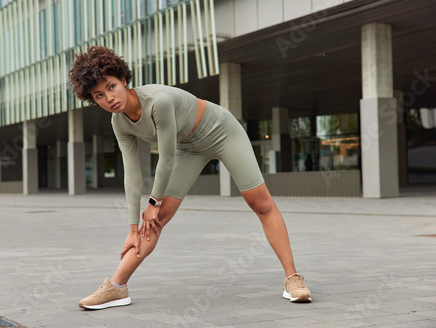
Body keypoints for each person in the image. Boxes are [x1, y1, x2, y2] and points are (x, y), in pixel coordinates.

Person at [69, 46, 312, 310]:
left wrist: (152, 202)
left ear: (123, 79)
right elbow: (132, 173)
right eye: (99, 96)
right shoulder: (119, 122)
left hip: (222, 132)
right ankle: (116, 287)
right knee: (156, 221)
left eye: (111, 86)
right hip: (188, 148)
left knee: (260, 203)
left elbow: (166, 157)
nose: (109, 98)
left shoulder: (158, 100)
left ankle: (293, 279)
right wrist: (131, 228)